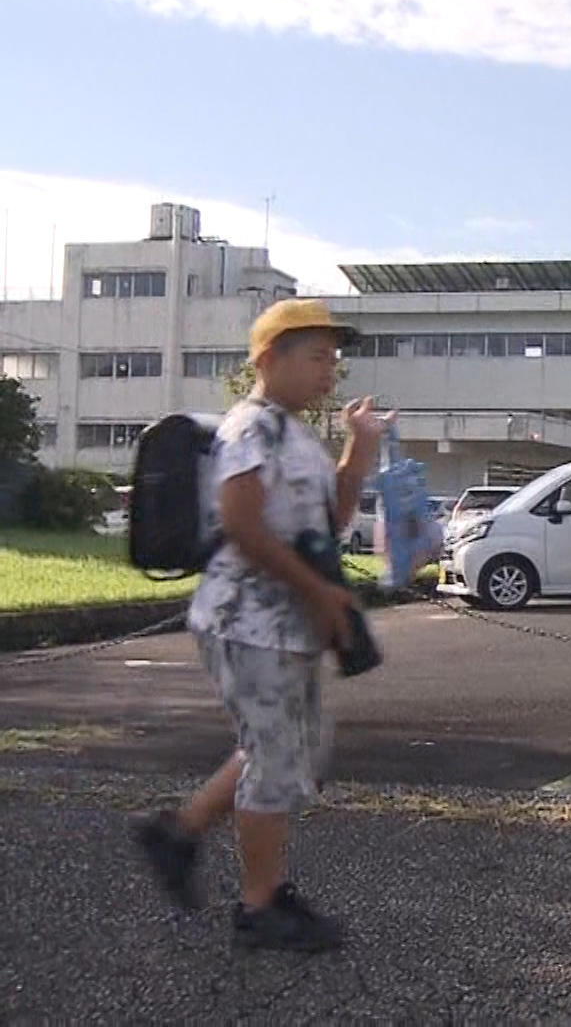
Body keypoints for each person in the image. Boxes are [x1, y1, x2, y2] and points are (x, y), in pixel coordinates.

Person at [132, 298, 390, 952]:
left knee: (289, 749)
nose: (330, 371)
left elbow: (326, 524)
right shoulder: (249, 426)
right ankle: (260, 905)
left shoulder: (295, 433)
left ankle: (180, 833)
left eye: (335, 359)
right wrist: (321, 595)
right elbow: (243, 526)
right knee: (276, 754)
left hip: (286, 623)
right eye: (317, 357)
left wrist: (359, 453)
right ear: (269, 357)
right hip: (246, 621)